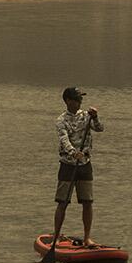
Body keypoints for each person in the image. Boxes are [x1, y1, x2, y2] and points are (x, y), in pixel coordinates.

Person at [51, 86, 104, 249]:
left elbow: (99, 128)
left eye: (81, 99)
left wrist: (95, 117)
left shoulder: (86, 116)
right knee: (63, 202)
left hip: (85, 165)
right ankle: (56, 238)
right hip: (68, 165)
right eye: (77, 99)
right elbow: (64, 140)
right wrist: (74, 153)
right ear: (68, 101)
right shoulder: (61, 120)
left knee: (87, 202)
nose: (80, 102)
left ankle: (87, 238)